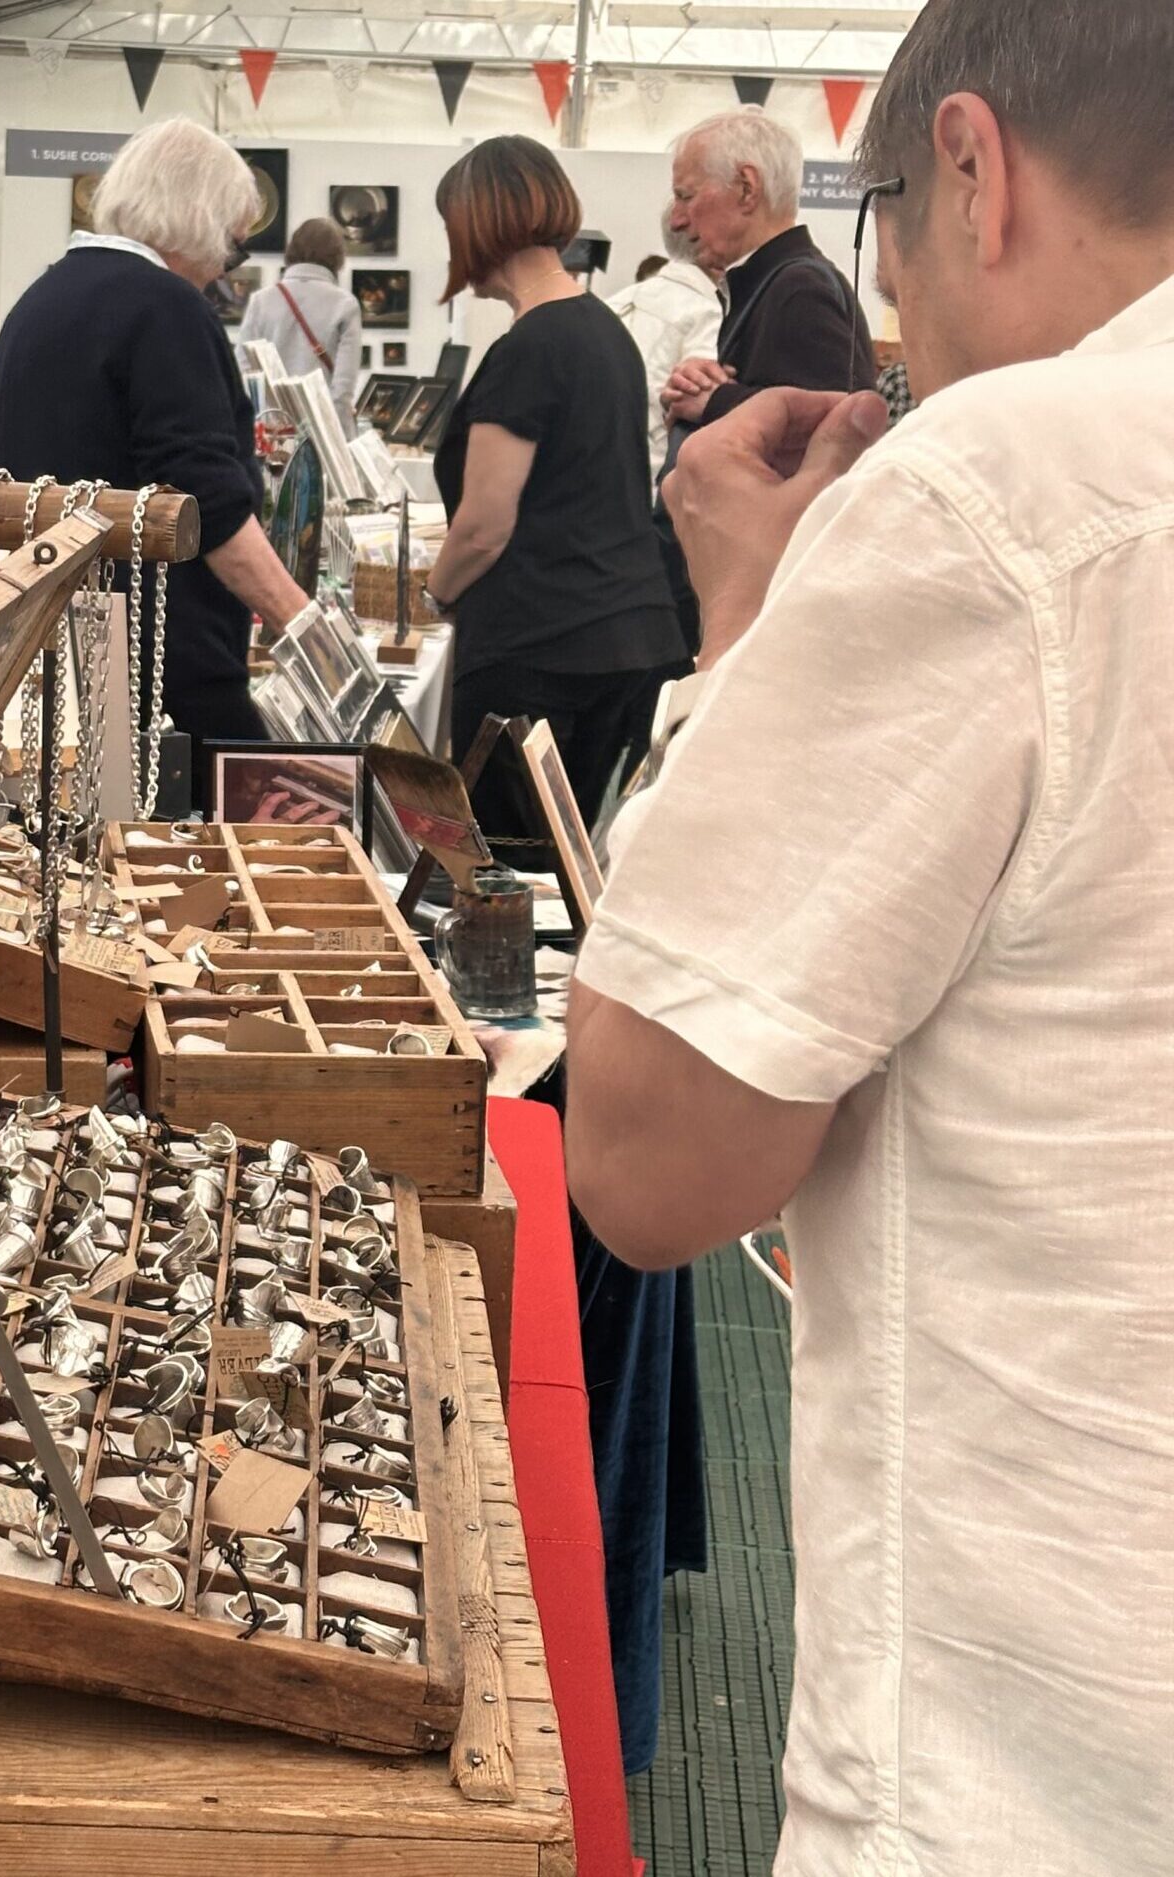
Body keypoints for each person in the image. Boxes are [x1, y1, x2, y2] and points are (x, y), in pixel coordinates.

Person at [564, 1, 1174, 1869]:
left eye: (890, 230)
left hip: (1034, 1758)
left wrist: (745, 623)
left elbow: (652, 1156)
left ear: (972, 169)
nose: (897, 308)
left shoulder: (1009, 488)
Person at [0, 119, 309, 773]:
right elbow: (206, 501)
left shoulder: (39, 299)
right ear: (201, 220)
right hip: (166, 667)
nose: (222, 271)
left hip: (60, 658)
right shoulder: (166, 308)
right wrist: (301, 624)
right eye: (232, 249)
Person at [424, 135, 684, 836]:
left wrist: (434, 596)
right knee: (569, 868)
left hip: (538, 651)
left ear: (476, 225)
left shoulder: (529, 349)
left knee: (507, 870)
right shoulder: (606, 332)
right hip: (625, 637)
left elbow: (485, 526)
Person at [655, 109, 874, 653]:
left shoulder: (797, 288)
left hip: (769, 612)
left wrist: (715, 402)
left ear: (746, 188)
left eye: (685, 196)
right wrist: (706, 392)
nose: (677, 220)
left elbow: (839, 432)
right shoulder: (775, 283)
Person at [604, 214, 724, 480]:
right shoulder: (709, 315)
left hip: (596, 480)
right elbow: (702, 421)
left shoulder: (611, 304)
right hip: (655, 484)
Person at [237, 216, 363, 433]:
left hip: (272, 432)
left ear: (292, 250)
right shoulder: (345, 305)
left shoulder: (261, 301)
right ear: (338, 256)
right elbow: (342, 389)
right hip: (320, 431)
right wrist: (341, 438)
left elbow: (244, 371)